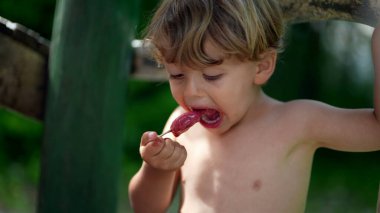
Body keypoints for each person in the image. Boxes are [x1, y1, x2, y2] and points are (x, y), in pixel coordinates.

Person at [128, 0, 380, 212]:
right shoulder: (183, 128)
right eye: (177, 75)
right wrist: (156, 170)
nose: (191, 92)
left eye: (212, 76)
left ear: (261, 67)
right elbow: (145, 207)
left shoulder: (295, 122)